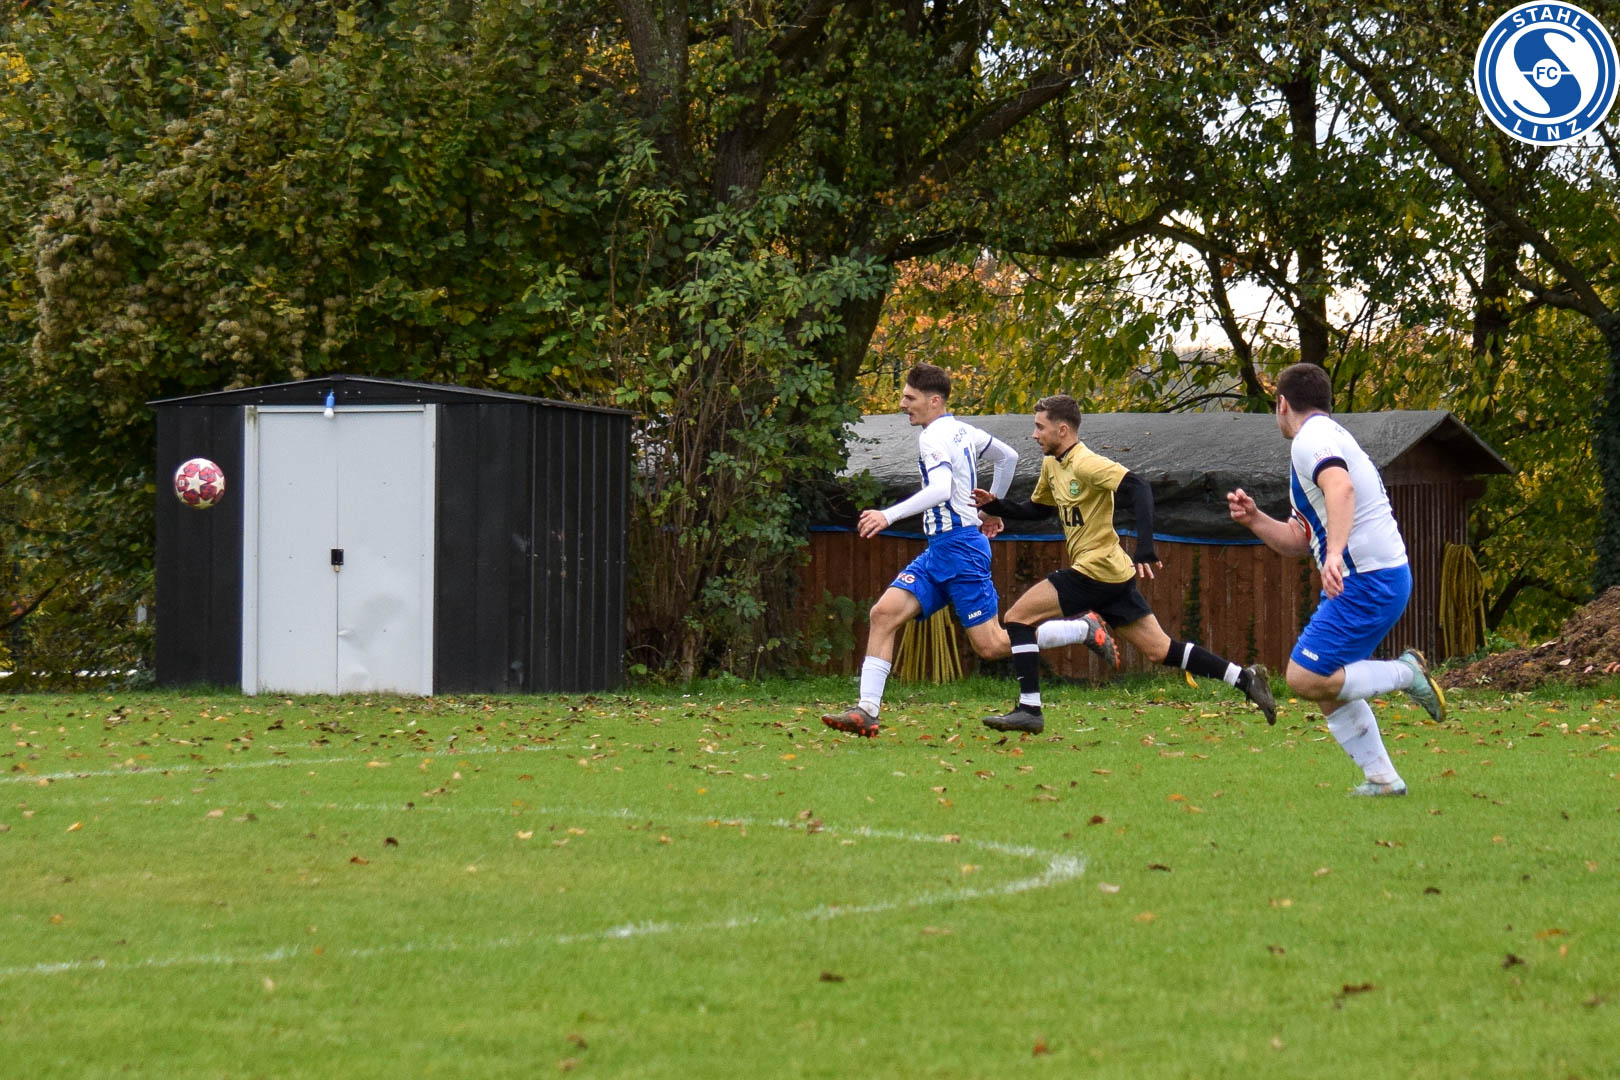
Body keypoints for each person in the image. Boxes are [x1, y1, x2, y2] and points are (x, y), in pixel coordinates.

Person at [821, 365, 1115, 738]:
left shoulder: (933, 438)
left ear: (934, 401)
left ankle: (1082, 629)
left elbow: (941, 489)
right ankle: (866, 711)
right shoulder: (962, 430)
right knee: (883, 614)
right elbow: (1007, 457)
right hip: (940, 550)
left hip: (960, 549)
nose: (903, 404)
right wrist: (991, 510)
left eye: (909, 398)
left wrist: (887, 515)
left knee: (992, 645)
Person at [973, 393, 1276, 734]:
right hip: (1113, 575)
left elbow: (1139, 486)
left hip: (1095, 570)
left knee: (1018, 617)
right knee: (1160, 650)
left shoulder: (1086, 463)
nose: (1034, 434)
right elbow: (1040, 509)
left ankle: (1030, 709)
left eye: (1039, 427)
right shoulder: (1052, 465)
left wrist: (1145, 547)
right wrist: (997, 507)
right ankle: (1245, 678)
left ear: (1062, 430)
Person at [1226, 362, 1446, 797]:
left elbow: (1341, 488)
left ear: (1282, 404)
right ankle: (1383, 780)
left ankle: (1406, 672)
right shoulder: (1329, 436)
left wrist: (1333, 555)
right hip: (1378, 575)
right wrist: (1255, 519)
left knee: (1304, 678)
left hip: (1367, 578)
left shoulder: (1312, 439)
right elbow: (1298, 539)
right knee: (1328, 681)